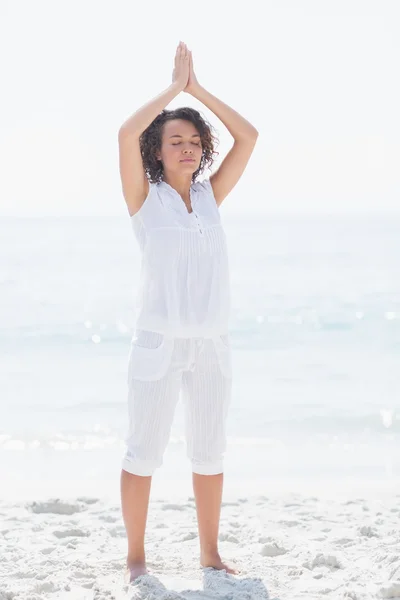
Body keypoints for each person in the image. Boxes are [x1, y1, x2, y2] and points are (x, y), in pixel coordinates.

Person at [118, 40, 258, 583]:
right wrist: (173, 91)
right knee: (143, 453)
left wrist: (198, 90)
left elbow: (249, 137)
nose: (186, 149)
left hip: (211, 346)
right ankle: (136, 558)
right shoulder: (143, 199)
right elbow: (125, 134)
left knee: (209, 451)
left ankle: (209, 552)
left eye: (194, 142)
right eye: (174, 141)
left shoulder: (209, 197)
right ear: (157, 150)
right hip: (158, 343)